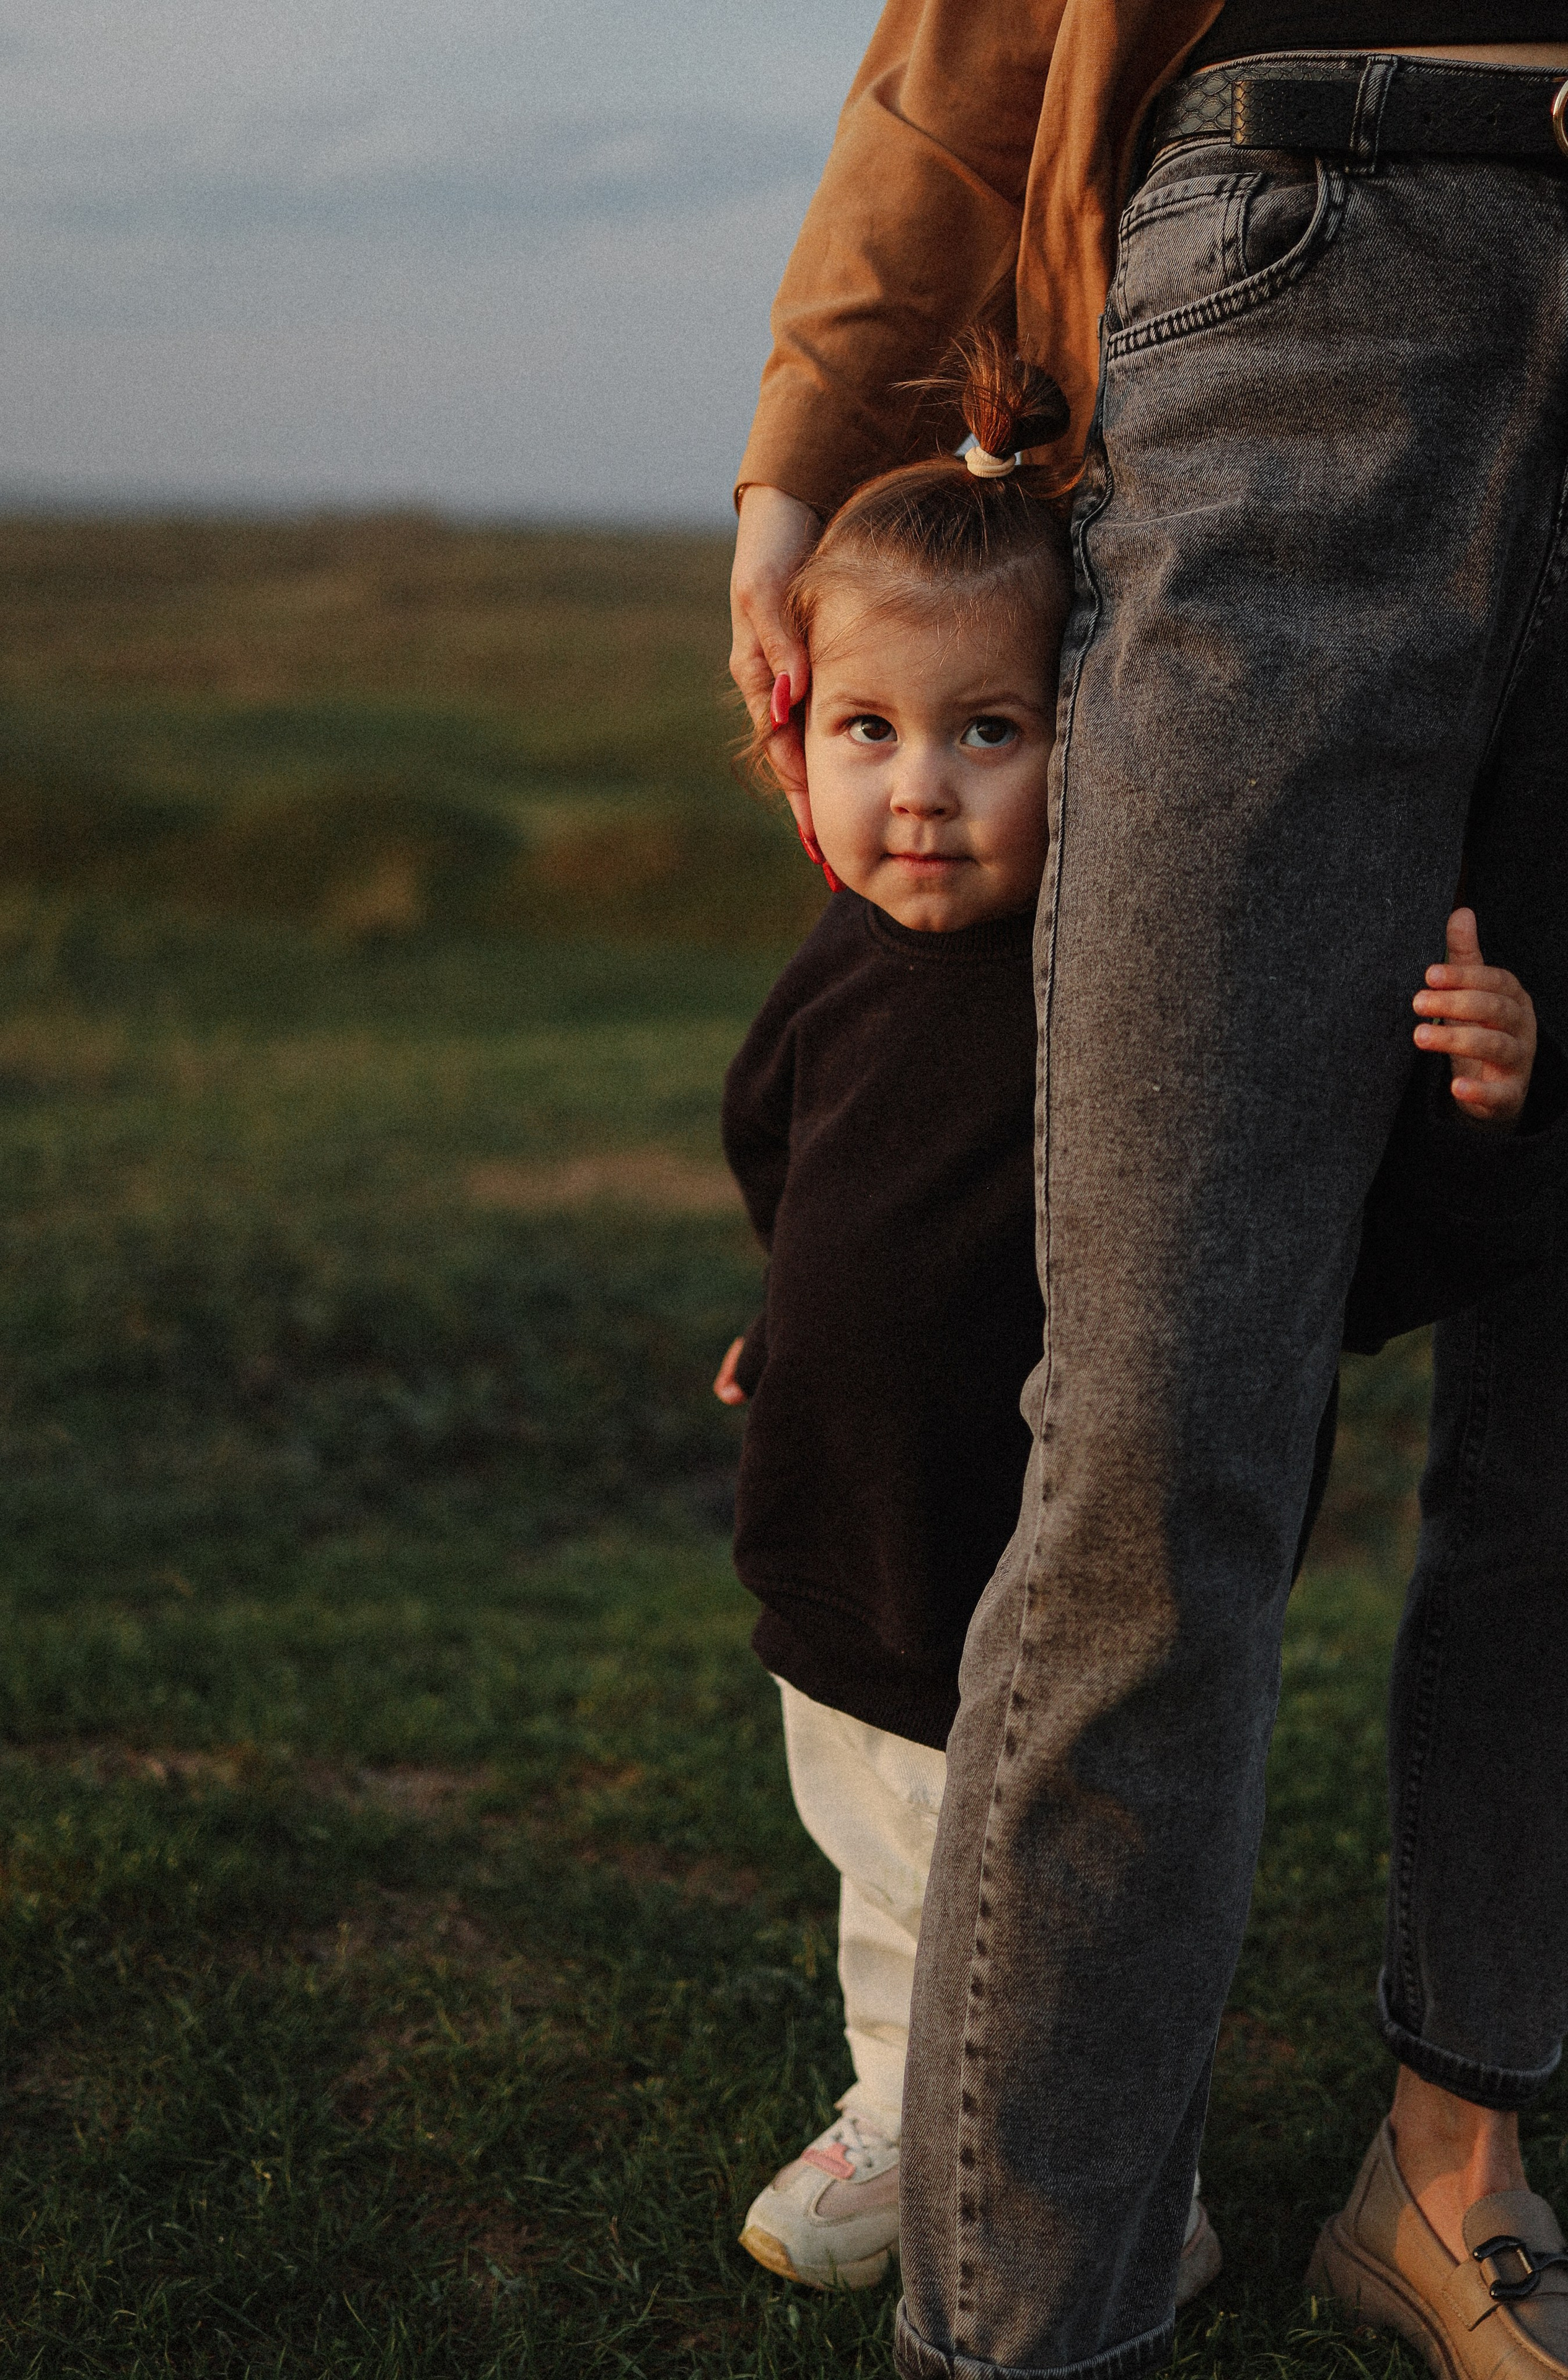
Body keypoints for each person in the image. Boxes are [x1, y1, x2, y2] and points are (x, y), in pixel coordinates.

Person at [729, 12, 1568, 2379]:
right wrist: (810, 447)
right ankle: (1031, 2329)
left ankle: (1453, 2167)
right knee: (1157, 1419)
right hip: (1321, 243)